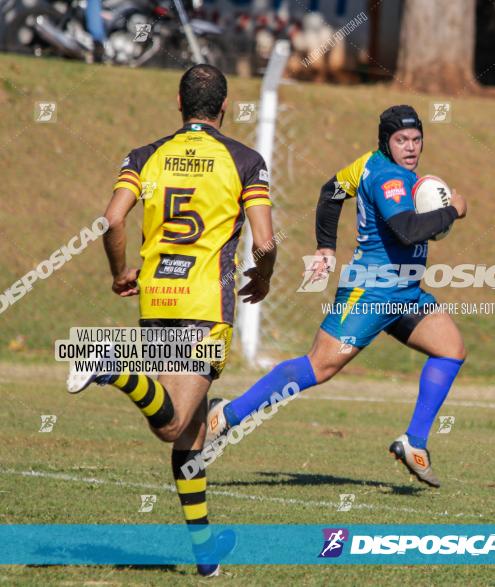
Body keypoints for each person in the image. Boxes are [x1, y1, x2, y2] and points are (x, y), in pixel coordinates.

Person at [66, 64, 277, 577]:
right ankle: (108, 366)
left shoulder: (145, 156)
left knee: (194, 431)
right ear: (224, 108)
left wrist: (120, 274)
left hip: (157, 301)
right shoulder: (244, 160)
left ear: (179, 105)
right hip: (205, 307)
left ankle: (205, 552)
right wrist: (263, 277)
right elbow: (265, 241)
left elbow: (113, 219)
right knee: (175, 425)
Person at [206, 105, 467, 488]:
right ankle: (225, 416)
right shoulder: (389, 177)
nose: (410, 148)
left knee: (451, 349)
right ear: (386, 142)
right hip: (372, 291)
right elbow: (408, 230)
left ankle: (414, 442)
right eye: (401, 140)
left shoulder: (366, 164)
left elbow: (331, 192)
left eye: (416, 139)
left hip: (406, 290)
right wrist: (452, 211)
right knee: (319, 367)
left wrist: (326, 247)